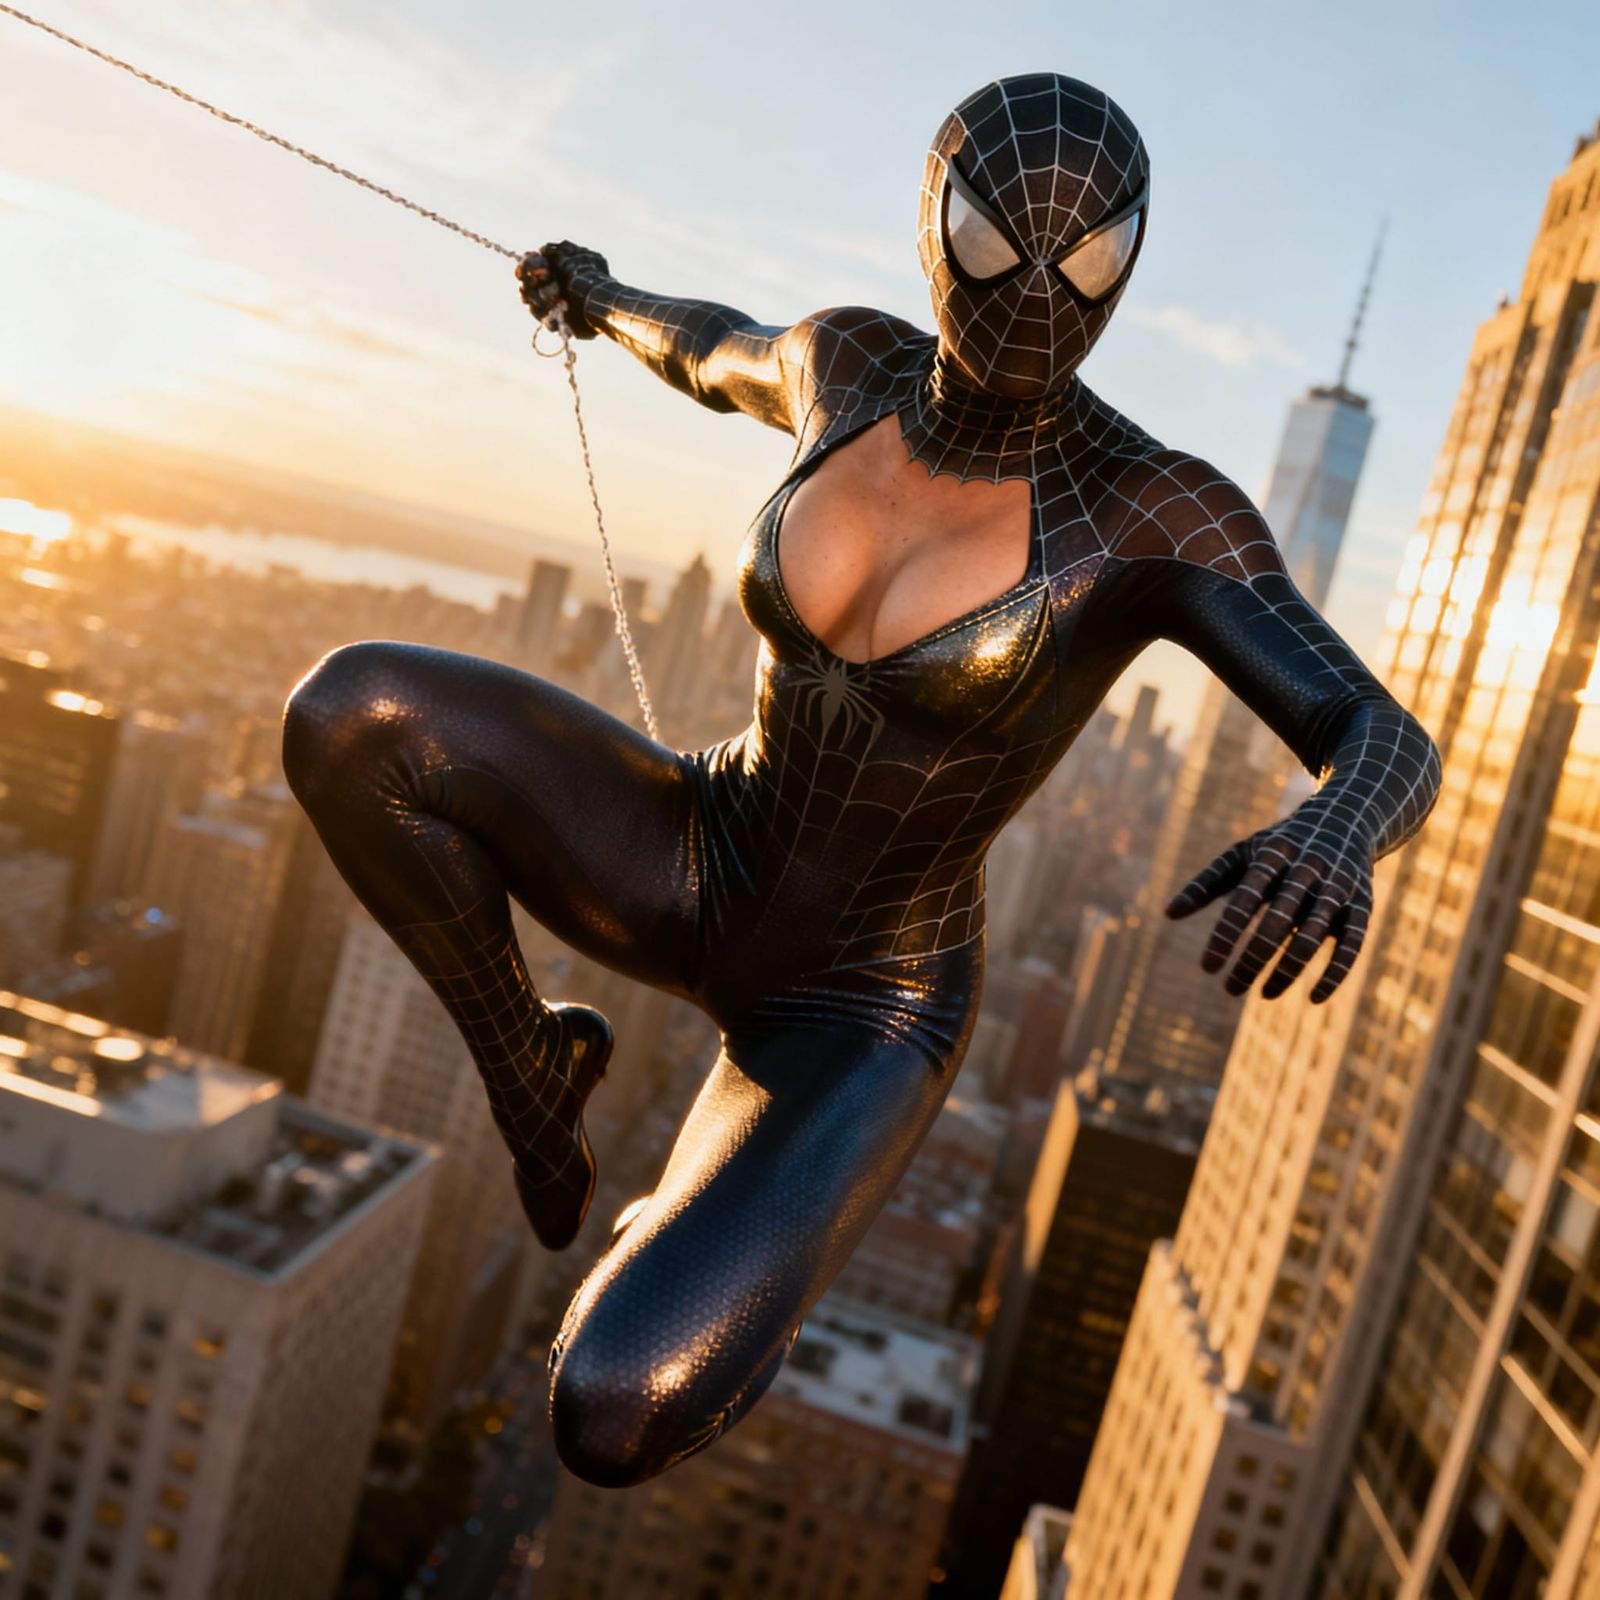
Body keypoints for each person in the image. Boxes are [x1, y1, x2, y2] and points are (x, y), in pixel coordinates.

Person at [280, 73, 1440, 1487]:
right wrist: (598, 295)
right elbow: (711, 349)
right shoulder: (850, 368)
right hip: (695, 847)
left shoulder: (1154, 511)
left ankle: (727, 1221)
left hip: (866, 1004)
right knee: (350, 717)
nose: (1034, 294)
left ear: (1129, 265)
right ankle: (537, 1070)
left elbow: (1378, 727)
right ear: (931, 222)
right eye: (994, 241)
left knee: (610, 1413)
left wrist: (1340, 825)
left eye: (1083, 262)